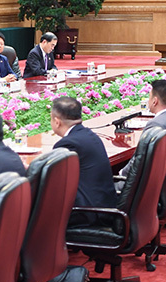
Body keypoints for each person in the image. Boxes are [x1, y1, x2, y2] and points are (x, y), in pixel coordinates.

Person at [50, 96, 118, 227]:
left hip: (90, 214)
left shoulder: (68, 144)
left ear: (57, 121)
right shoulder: (90, 135)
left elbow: (54, 182)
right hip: (106, 206)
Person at [116, 80, 166, 188]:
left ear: (155, 101)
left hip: (146, 186)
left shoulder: (156, 124)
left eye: (149, 97)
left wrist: (120, 174)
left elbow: (139, 159)